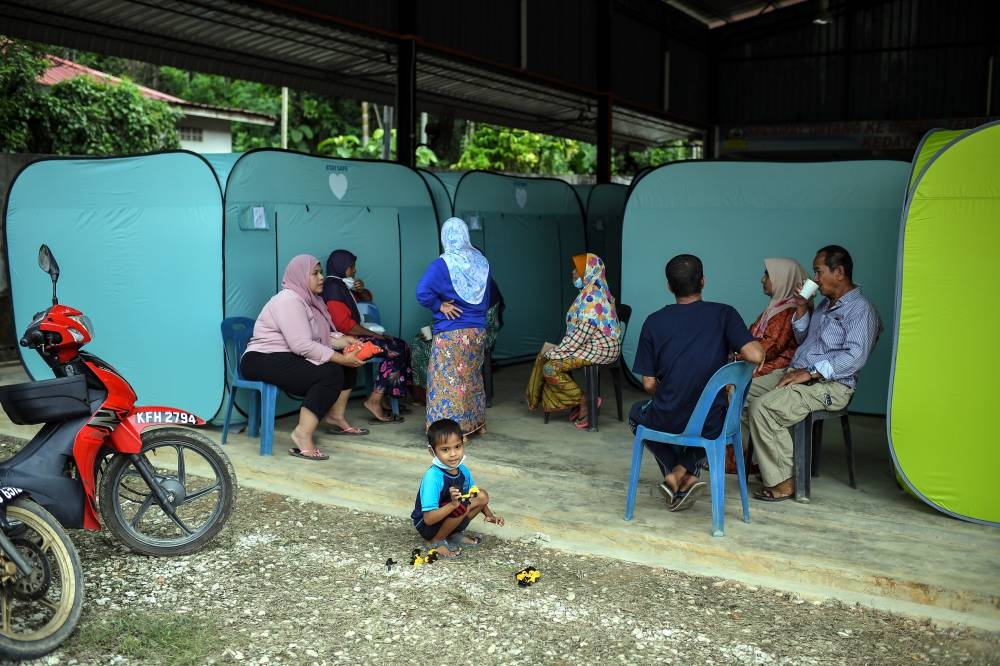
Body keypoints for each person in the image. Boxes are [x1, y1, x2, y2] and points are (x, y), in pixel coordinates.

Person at [745, 245, 881, 501]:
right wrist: (802, 307)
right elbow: (803, 339)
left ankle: (784, 481)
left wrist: (811, 374)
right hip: (798, 372)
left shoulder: (861, 310)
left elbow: (855, 357)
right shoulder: (825, 305)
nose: (814, 279)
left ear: (839, 272)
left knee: (763, 408)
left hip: (831, 385)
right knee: (741, 393)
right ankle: (761, 463)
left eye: (818, 272)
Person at [629, 254, 765, 511]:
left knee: (636, 415)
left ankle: (675, 473)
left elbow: (648, 385)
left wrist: (671, 396)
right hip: (712, 421)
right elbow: (756, 355)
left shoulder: (654, 321)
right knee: (714, 420)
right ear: (703, 281)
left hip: (667, 417)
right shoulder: (724, 314)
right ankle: (685, 471)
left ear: (669, 286)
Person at [240, 254, 366, 461]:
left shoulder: (309, 300)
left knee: (344, 365)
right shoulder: (289, 300)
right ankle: (302, 434)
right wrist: (340, 358)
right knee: (330, 372)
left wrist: (344, 341)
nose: (321, 277)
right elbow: (301, 344)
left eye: (321, 272)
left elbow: (316, 337)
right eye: (314, 273)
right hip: (261, 358)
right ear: (299, 276)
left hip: (285, 354)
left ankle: (335, 416)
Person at [524, 253, 621, 429]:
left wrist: (553, 352)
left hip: (600, 349)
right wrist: (557, 351)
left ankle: (585, 401)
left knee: (550, 367)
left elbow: (580, 336)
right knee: (551, 358)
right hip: (591, 344)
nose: (573, 272)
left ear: (589, 272)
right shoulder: (591, 291)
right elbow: (579, 335)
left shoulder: (592, 298)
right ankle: (579, 401)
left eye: (577, 269)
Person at [416, 217, 493, 437]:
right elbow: (488, 298)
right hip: (477, 331)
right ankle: (477, 424)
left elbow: (422, 292)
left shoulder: (443, 264)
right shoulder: (481, 262)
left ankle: (455, 431)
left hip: (452, 332)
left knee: (447, 381)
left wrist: (439, 305)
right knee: (472, 377)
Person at [323, 249, 413, 424]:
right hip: (344, 340)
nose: (354, 270)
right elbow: (344, 325)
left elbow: (366, 298)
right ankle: (375, 400)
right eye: (351, 266)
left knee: (402, 345)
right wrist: (374, 334)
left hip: (353, 335)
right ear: (341, 266)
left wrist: (361, 289)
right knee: (395, 348)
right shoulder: (333, 287)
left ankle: (386, 397)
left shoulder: (342, 285)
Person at [411, 418, 504, 558]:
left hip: (450, 513)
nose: (453, 454)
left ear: (463, 444)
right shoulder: (433, 477)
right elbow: (428, 519)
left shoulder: (463, 470)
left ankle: (451, 534)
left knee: (481, 495)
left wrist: (489, 515)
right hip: (427, 525)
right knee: (461, 505)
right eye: (445, 449)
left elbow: (473, 494)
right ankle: (435, 541)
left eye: (457, 447)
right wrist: (453, 505)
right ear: (432, 451)